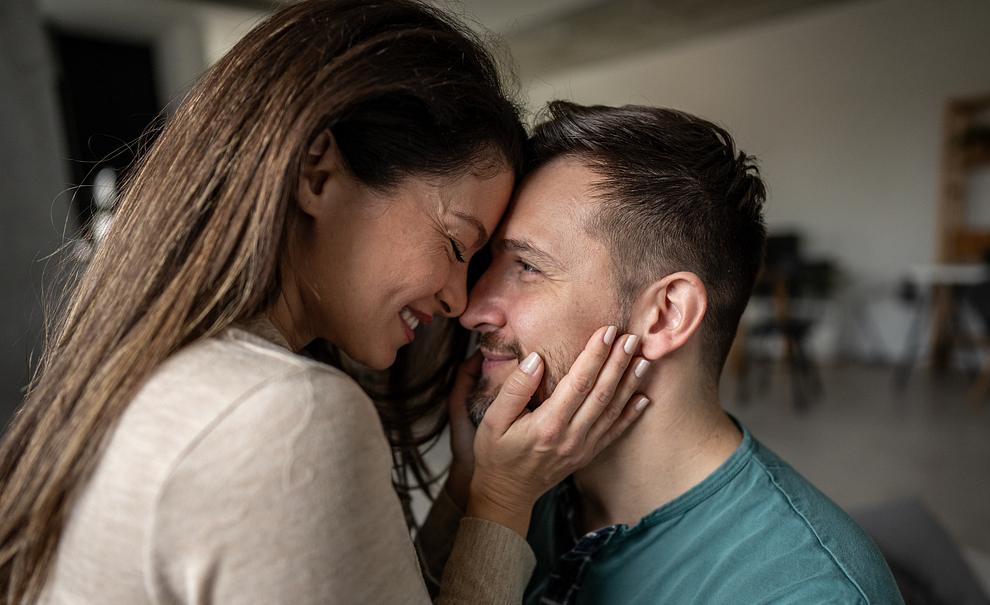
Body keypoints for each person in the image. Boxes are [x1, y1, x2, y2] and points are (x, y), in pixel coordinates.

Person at [0, 3, 651, 604]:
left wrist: (468, 485)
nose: (460, 301)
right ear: (317, 173)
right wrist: (503, 499)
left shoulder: (158, 375)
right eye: (456, 244)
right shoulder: (281, 412)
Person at [462, 101, 904, 604]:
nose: (472, 310)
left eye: (527, 267)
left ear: (665, 315)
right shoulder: (524, 483)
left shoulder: (806, 593)